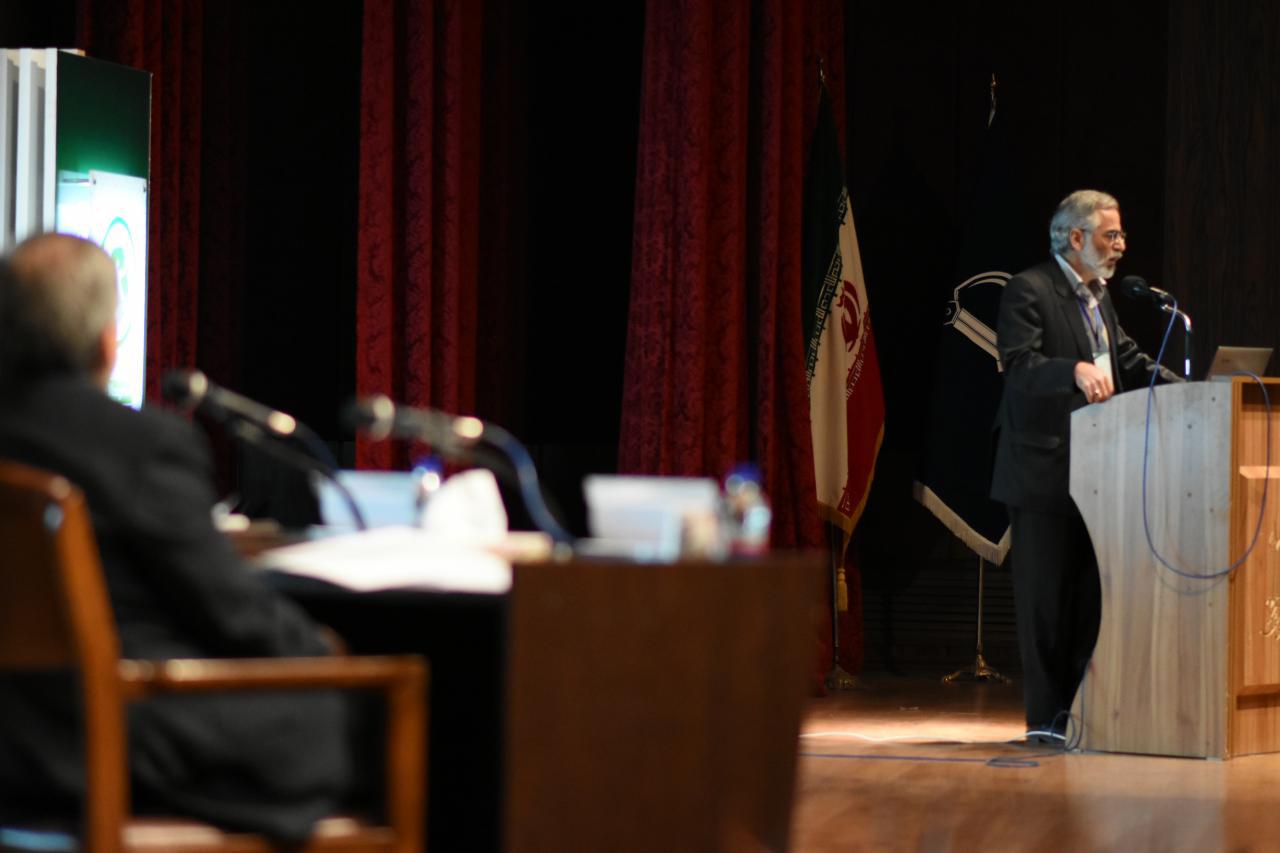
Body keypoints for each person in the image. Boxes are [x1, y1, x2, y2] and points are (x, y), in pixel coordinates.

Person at [0, 234, 352, 840]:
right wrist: (325, 652)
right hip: (110, 737)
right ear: (106, 340)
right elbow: (233, 615)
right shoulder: (142, 446)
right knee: (347, 712)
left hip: (14, 742)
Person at [990, 190, 1181, 743]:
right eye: (1110, 235)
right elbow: (1019, 366)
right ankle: (1045, 721)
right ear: (1075, 238)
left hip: (1099, 472)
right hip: (1042, 470)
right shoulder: (1029, 289)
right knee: (1046, 603)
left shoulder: (1099, 296)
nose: (1121, 245)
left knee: (1090, 600)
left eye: (1121, 235)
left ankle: (1083, 714)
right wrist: (1071, 369)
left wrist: (1193, 389)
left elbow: (1126, 360)